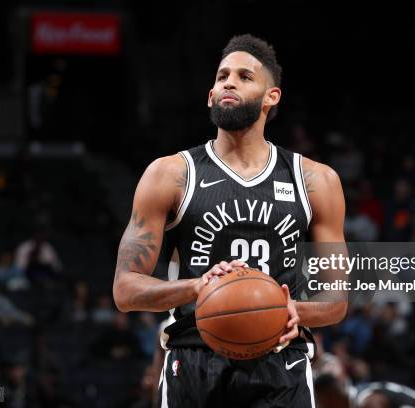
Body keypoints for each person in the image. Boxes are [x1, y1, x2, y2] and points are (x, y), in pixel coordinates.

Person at [113, 34, 348, 407]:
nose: (229, 83)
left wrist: (295, 310)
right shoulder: (170, 174)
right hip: (192, 360)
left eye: (244, 76)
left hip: (281, 364)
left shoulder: (316, 181)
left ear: (272, 97)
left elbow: (337, 300)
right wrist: (198, 289)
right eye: (222, 76)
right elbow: (125, 291)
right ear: (210, 95)